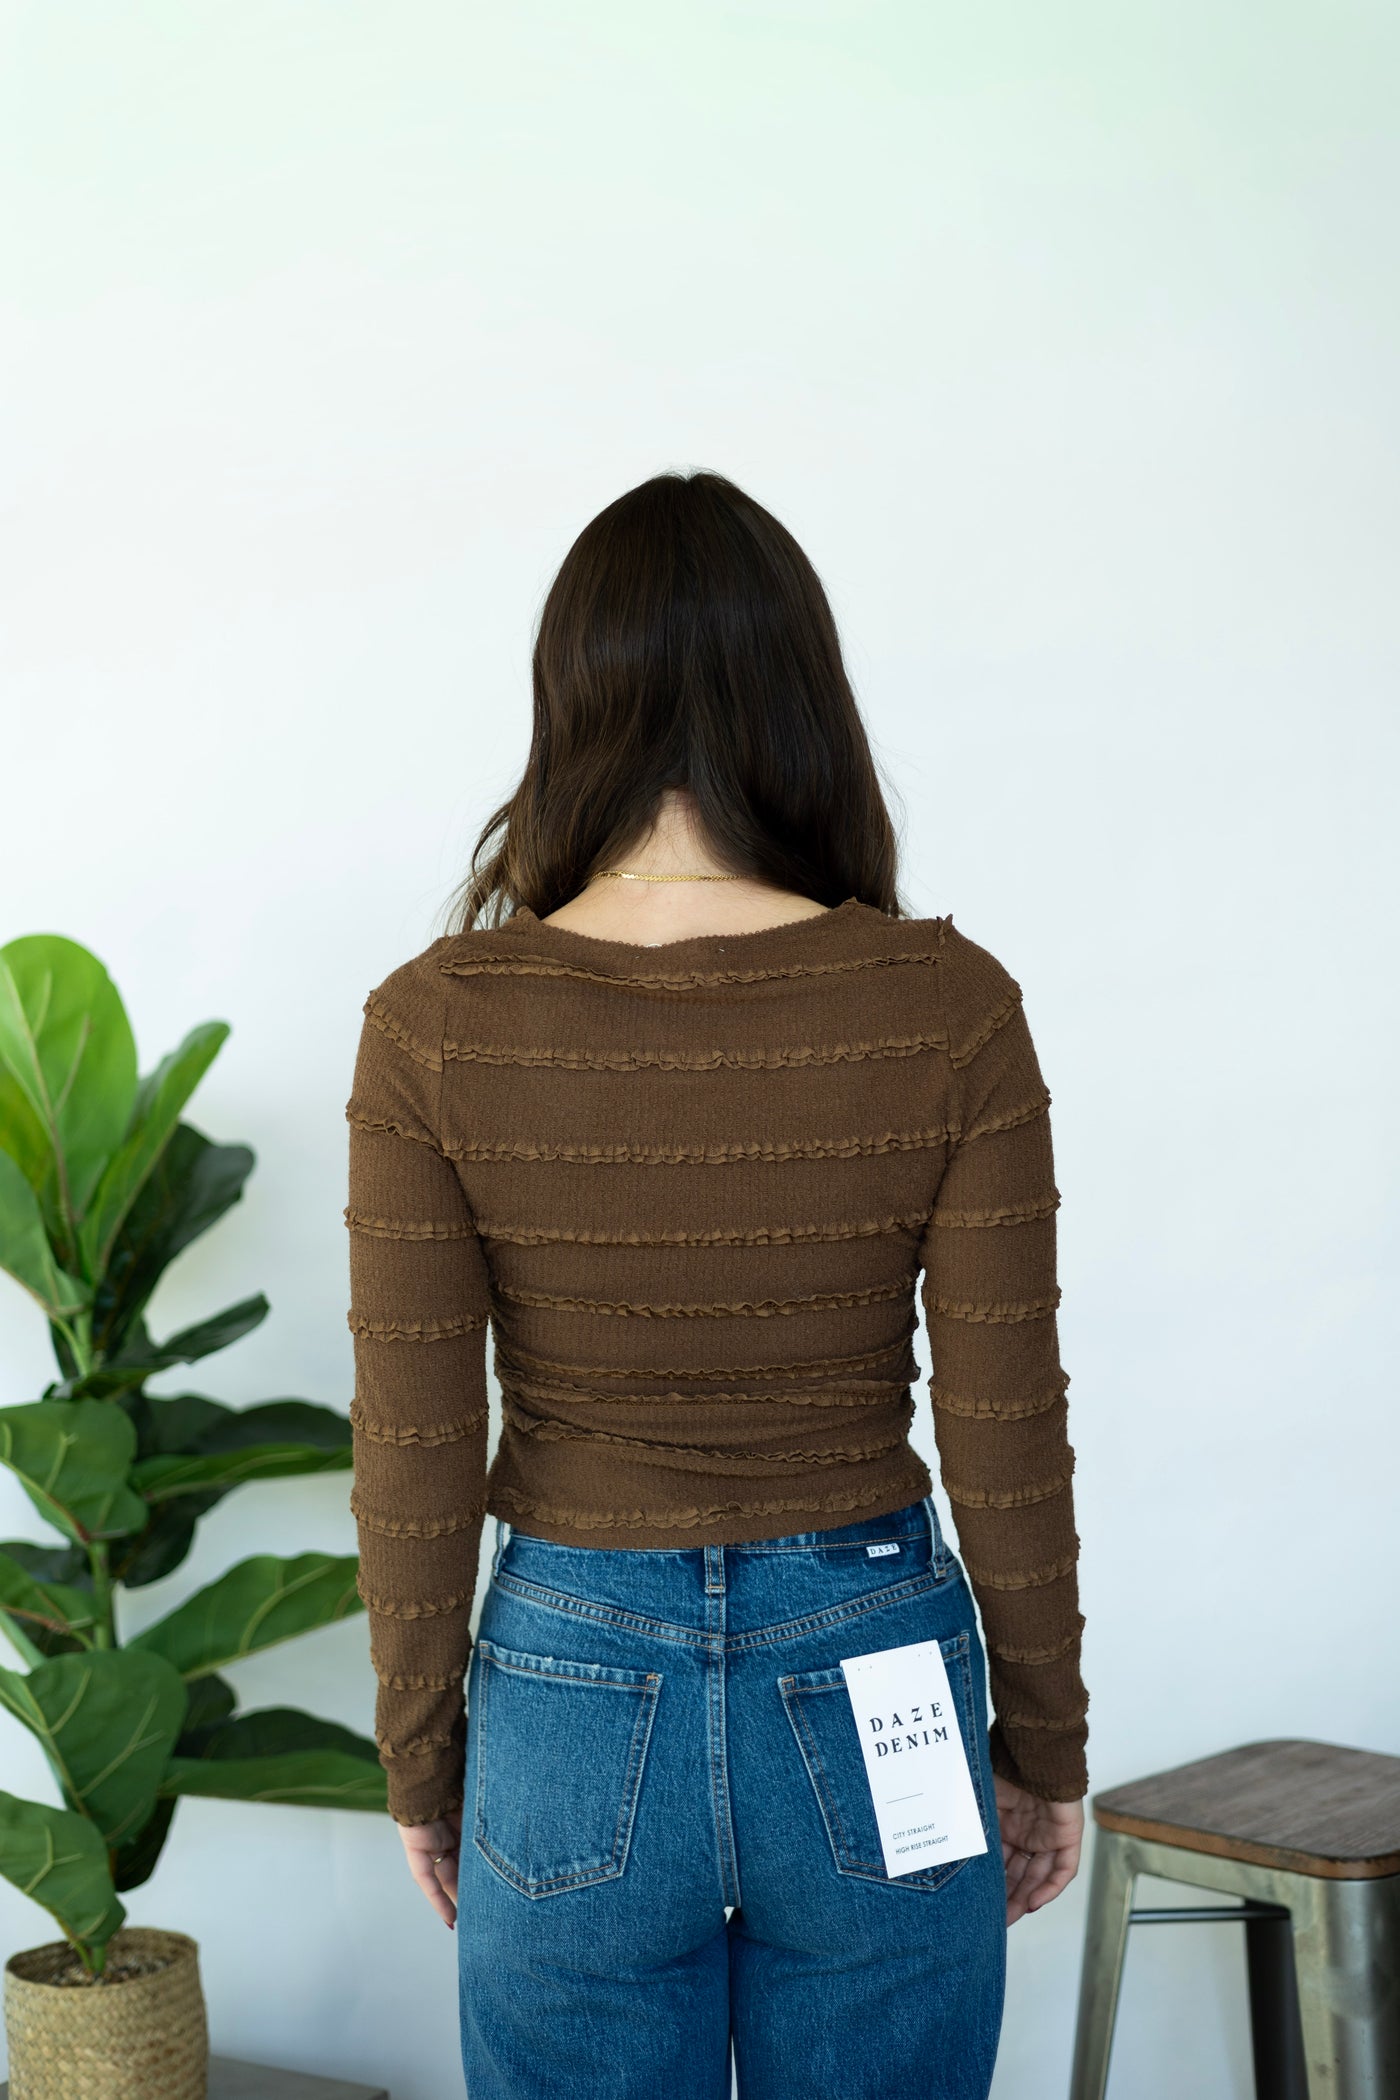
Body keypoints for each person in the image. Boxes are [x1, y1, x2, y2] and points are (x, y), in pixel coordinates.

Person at [345, 469, 1089, 2100]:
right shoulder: (945, 1007)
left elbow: (409, 1450)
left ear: (570, 705)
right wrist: (1045, 1747)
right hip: (875, 1646)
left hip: (566, 1674)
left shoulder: (437, 1022)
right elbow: (1004, 1430)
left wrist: (424, 1762)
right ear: (804, 700)